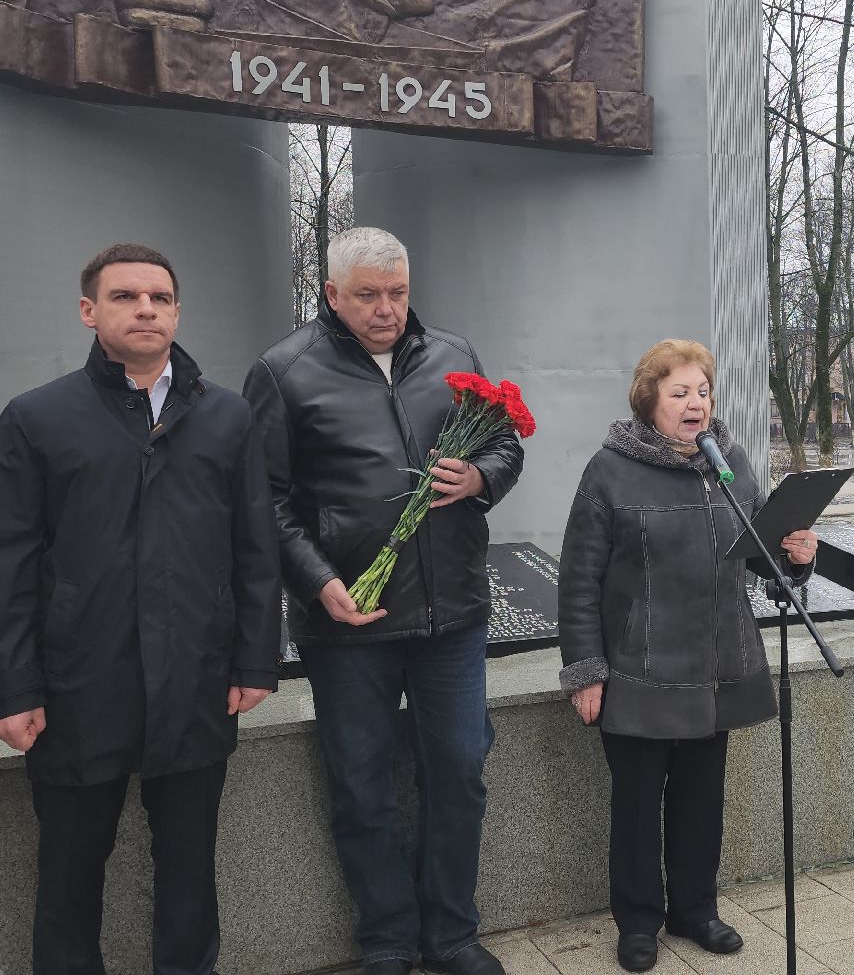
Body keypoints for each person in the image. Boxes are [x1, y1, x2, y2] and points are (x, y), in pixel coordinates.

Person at [0, 245, 282, 975]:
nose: (146, 309)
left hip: (196, 678)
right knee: (69, 873)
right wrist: (10, 687)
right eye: (125, 297)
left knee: (190, 870)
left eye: (159, 298)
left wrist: (255, 659)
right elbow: (4, 561)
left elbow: (255, 546)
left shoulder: (228, 418)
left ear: (177, 312)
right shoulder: (37, 418)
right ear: (89, 311)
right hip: (78, 684)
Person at [243, 227, 523, 975]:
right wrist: (317, 581)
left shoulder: (454, 356)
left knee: (459, 772)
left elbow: (505, 445)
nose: (387, 309)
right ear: (331, 293)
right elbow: (263, 501)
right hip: (348, 623)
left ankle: (452, 934)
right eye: (367, 295)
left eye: (398, 292)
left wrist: (482, 478)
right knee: (362, 787)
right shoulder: (283, 371)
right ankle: (388, 939)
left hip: (451, 613)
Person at [556, 340, 818, 973]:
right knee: (637, 805)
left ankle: (695, 910)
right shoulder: (610, 470)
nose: (695, 402)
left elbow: (758, 552)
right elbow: (579, 578)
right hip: (638, 670)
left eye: (702, 391)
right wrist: (586, 671)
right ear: (650, 401)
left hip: (715, 668)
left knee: (702, 801)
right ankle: (638, 922)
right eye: (679, 392)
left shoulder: (730, 463)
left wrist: (796, 557)